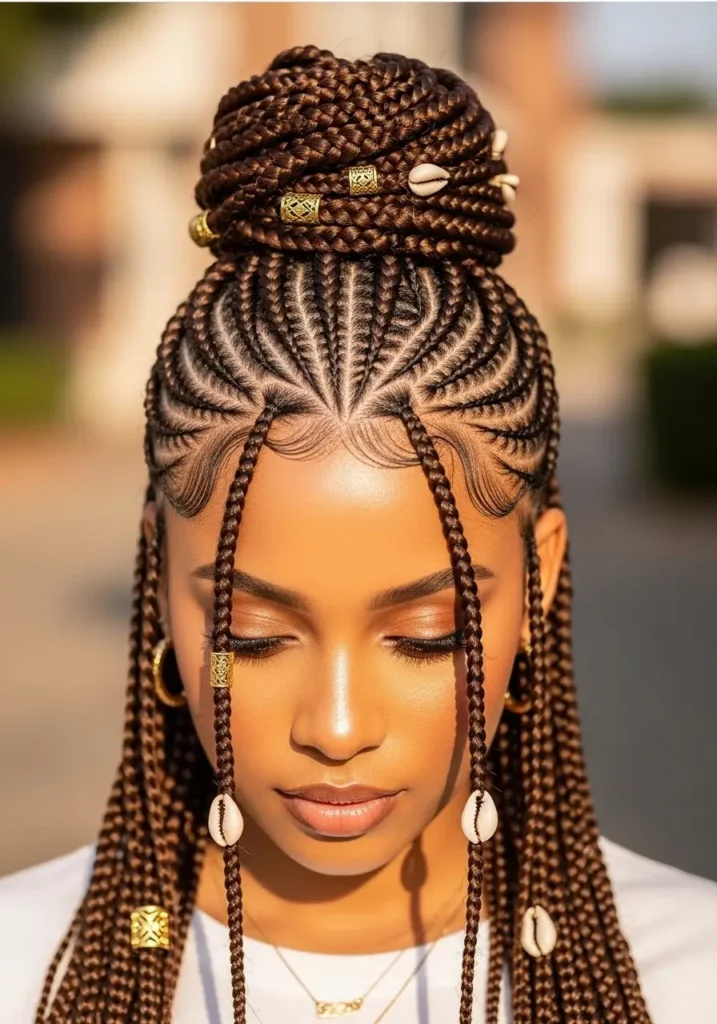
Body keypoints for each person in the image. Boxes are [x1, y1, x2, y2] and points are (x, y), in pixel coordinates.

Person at [1, 44, 716, 1024]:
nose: (336, 727)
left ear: (541, 574)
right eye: (252, 631)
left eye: (426, 633)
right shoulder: (23, 964)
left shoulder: (691, 975)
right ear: (160, 576)